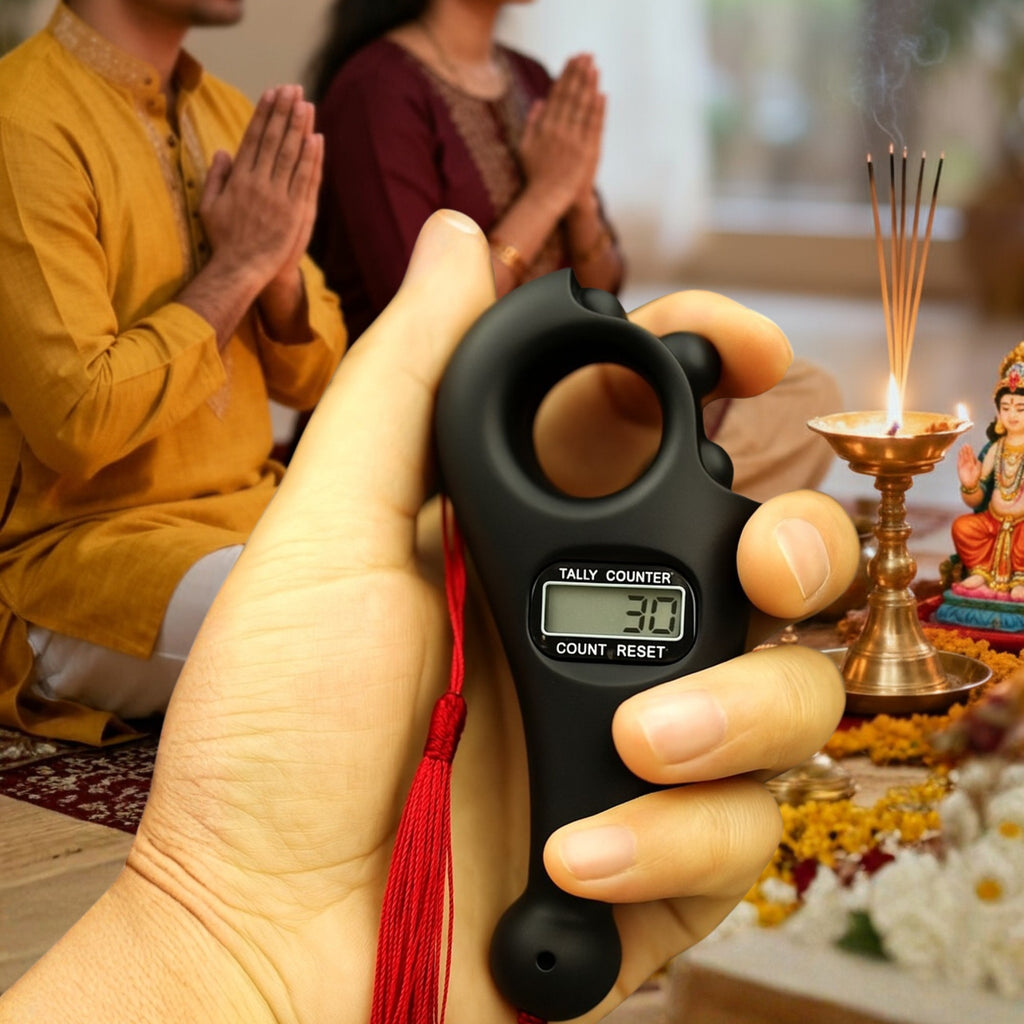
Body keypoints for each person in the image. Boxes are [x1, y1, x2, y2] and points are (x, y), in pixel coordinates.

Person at [0, 211, 859, 1024]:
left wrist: (237, 957)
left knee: (788, 423)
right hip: (134, 525)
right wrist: (232, 932)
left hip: (433, 522)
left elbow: (307, 358)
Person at [0, 0, 347, 746]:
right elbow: (78, 421)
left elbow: (323, 376)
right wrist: (242, 265)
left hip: (257, 514)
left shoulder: (228, 114)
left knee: (479, 577)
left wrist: (277, 274)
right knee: (339, 638)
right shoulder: (19, 122)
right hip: (82, 559)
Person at [951, 341, 1024, 599]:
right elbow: (977, 499)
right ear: (997, 412)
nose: (1012, 415)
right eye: (1006, 408)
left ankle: (1021, 578)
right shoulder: (995, 449)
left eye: (1020, 408)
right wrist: (969, 483)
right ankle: (981, 572)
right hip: (992, 521)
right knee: (963, 527)